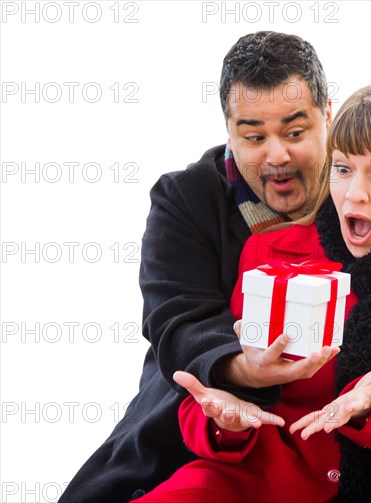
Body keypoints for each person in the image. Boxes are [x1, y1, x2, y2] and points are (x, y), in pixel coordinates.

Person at [130, 85, 371, 503]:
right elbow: (202, 405)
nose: (354, 193)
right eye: (342, 169)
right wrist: (225, 421)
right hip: (242, 485)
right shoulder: (272, 251)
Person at [60, 31, 334, 503]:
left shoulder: (364, 195)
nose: (276, 156)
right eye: (253, 137)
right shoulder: (185, 199)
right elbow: (177, 323)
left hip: (320, 455)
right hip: (186, 438)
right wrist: (243, 368)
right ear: (229, 131)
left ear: (327, 115)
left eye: (294, 132)